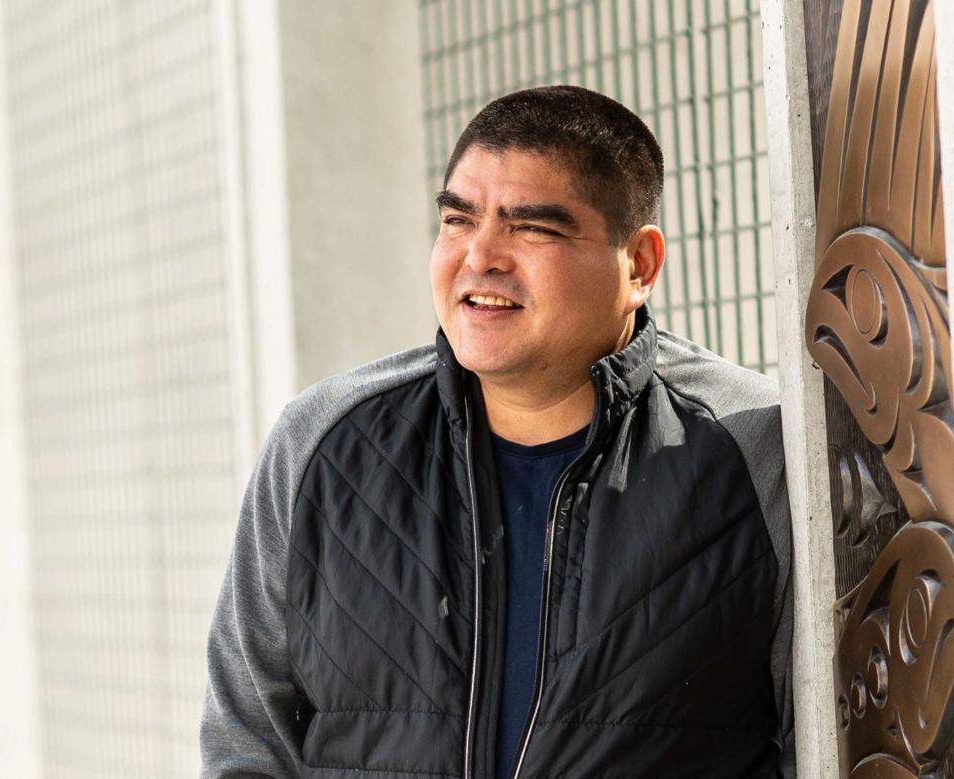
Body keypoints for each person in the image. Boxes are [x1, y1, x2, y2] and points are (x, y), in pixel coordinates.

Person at [201, 85, 794, 778]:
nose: (480, 256)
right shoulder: (324, 444)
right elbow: (248, 741)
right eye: (457, 220)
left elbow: (823, 739)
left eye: (532, 227)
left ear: (639, 265)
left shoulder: (755, 452)